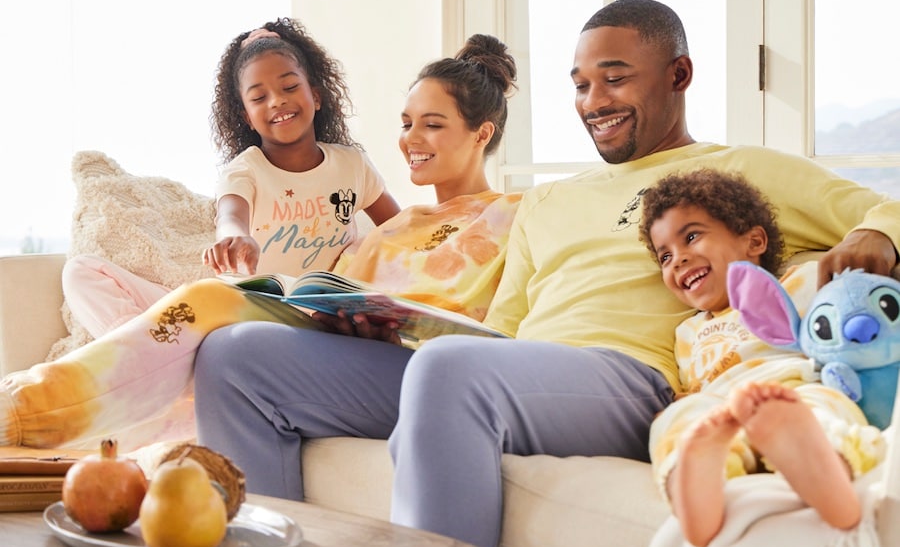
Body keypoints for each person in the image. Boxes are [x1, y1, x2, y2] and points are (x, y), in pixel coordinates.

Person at [192, 0, 900, 547]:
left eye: (615, 78)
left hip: (625, 378)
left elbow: (882, 206)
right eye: (582, 83)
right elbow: (501, 327)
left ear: (678, 75)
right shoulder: (552, 199)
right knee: (235, 356)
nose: (595, 100)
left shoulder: (740, 168)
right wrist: (386, 327)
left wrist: (873, 232)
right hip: (503, 367)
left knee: (448, 370)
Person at [0, 33, 521, 454]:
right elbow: (250, 224)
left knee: (211, 305)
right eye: (406, 124)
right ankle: (68, 404)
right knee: (203, 305)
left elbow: (508, 312)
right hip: (332, 336)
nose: (410, 139)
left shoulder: (515, 214)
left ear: (481, 134)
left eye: (432, 124)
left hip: (424, 363)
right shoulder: (394, 227)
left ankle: (27, 407)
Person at [61, 17, 400, 340]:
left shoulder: (351, 165)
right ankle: (139, 351)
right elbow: (231, 216)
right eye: (259, 97)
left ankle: (167, 363)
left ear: (317, 95)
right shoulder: (245, 170)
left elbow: (402, 230)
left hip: (315, 323)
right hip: (238, 313)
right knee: (81, 272)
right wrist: (236, 238)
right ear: (247, 117)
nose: (277, 100)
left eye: (290, 86)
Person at [638, 168, 884, 547]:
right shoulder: (685, 333)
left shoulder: (800, 281)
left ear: (754, 240)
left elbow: (844, 321)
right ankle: (701, 480)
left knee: (823, 405)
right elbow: (691, 386)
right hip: (721, 407)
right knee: (675, 423)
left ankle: (824, 466)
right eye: (665, 255)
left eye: (691, 237)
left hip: (793, 384)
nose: (678, 259)